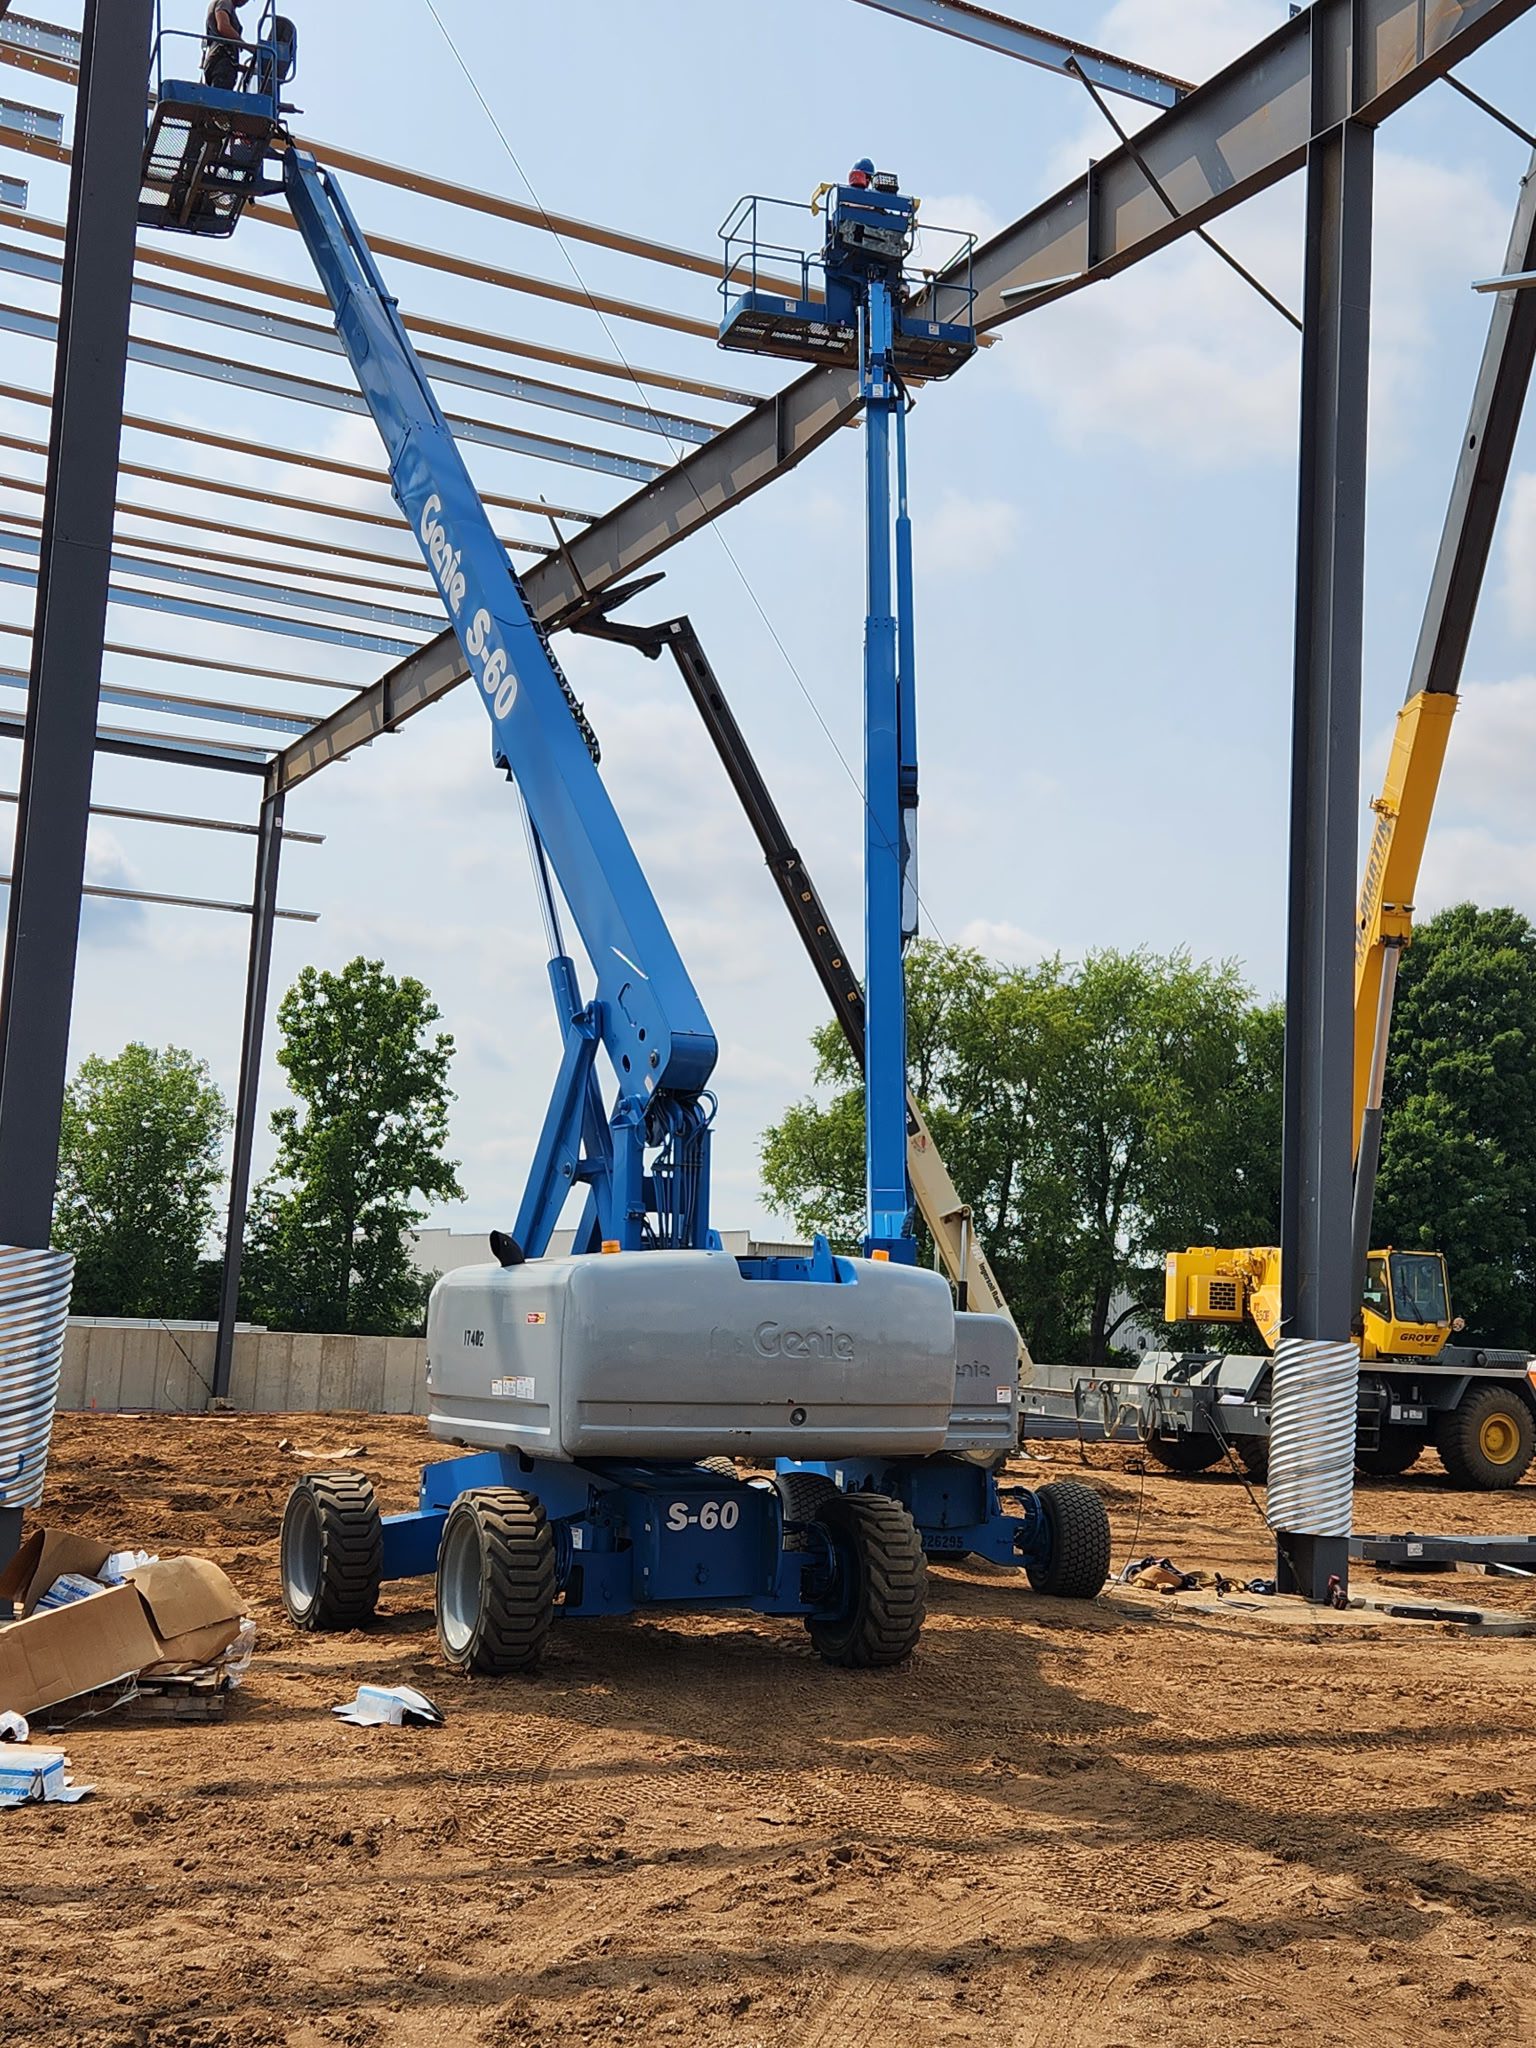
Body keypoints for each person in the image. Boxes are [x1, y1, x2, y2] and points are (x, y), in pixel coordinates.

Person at [202, 1, 245, 91]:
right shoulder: (225, 2)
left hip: (219, 61)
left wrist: (243, 68)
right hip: (222, 60)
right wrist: (248, 47)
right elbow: (223, 27)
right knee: (219, 98)